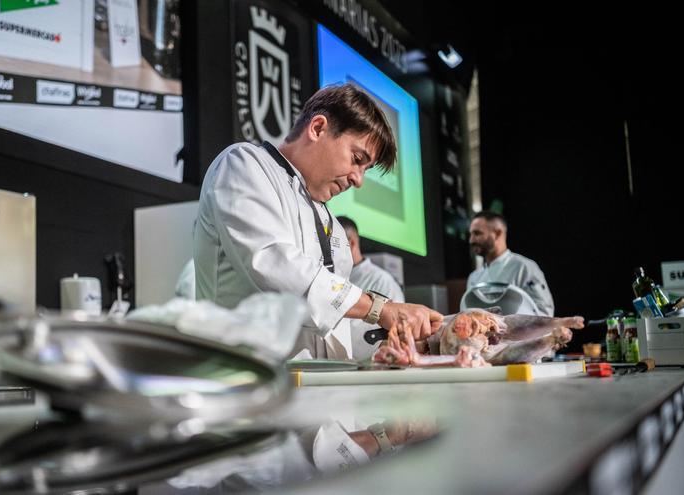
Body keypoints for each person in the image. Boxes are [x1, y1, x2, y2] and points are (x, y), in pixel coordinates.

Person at [194, 83, 442, 360]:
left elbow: (331, 323)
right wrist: (379, 309)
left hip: (309, 388)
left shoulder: (329, 220)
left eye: (364, 170)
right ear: (318, 128)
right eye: (357, 159)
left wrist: (394, 345)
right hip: (243, 376)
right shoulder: (244, 164)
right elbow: (278, 267)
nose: (357, 180)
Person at [336, 216, 405, 360]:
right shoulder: (332, 277)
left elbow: (396, 333)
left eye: (334, 244)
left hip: (369, 368)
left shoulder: (382, 281)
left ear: (352, 243)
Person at [466, 210, 555, 316]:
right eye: (470, 234)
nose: (471, 240)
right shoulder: (474, 277)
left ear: (497, 233)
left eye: (477, 233)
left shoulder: (524, 267)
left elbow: (545, 313)